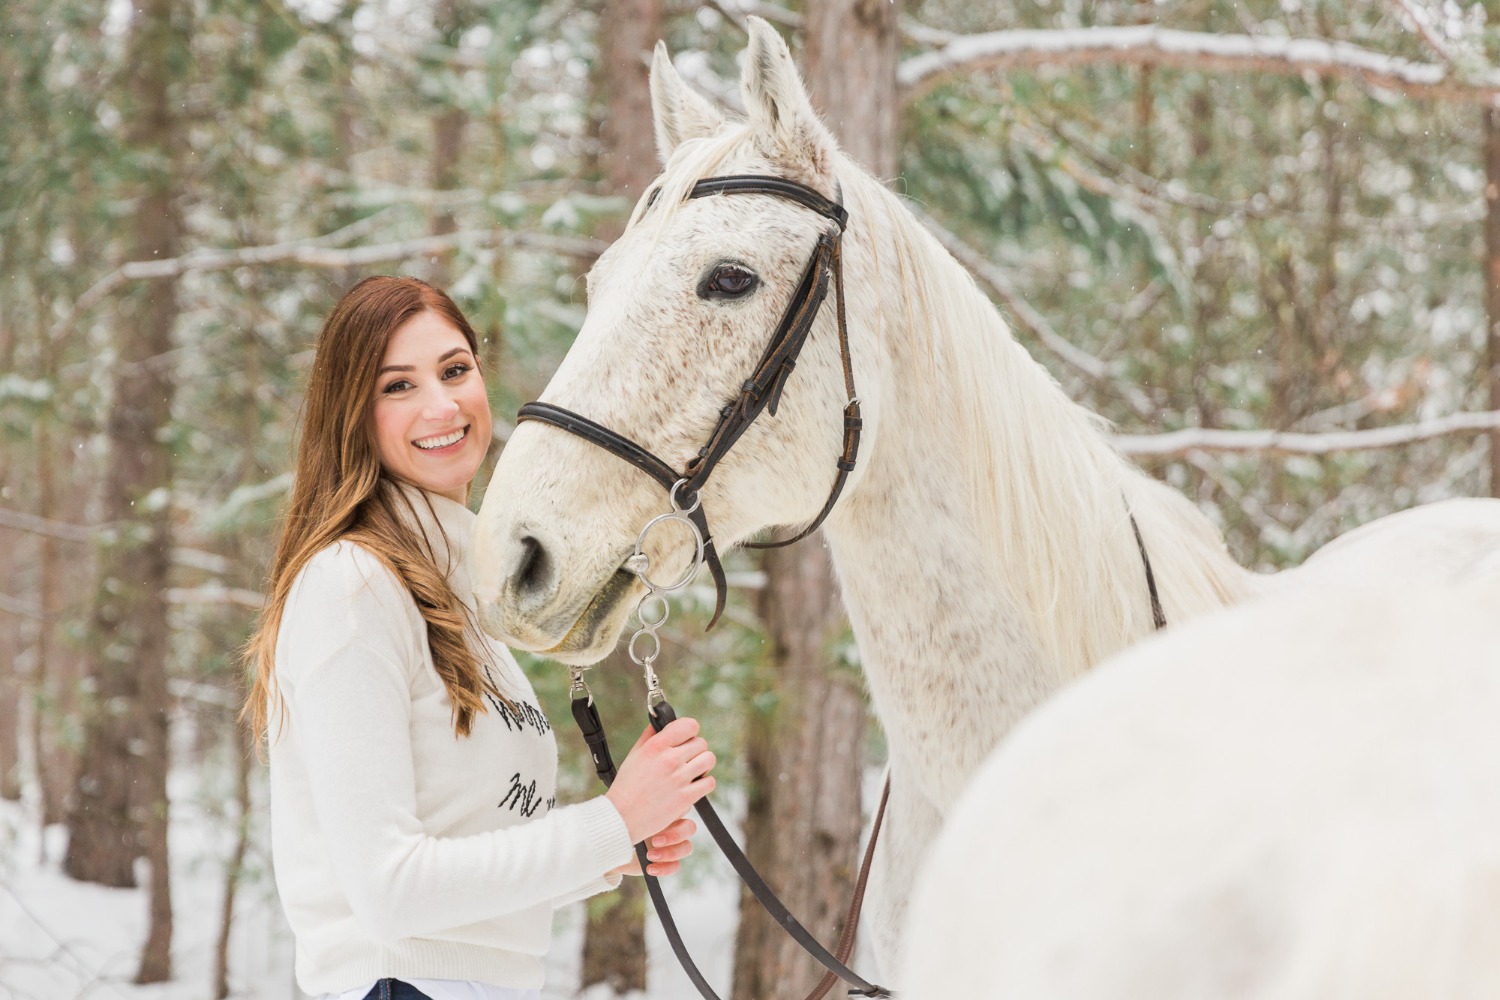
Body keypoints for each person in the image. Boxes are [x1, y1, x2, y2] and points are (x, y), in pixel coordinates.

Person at [243, 275, 717, 1000]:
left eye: (455, 369)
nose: (442, 405)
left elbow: (463, 852)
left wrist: (614, 850)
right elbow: (390, 891)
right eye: (397, 386)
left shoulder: (455, 592)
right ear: (352, 414)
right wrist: (610, 821)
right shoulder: (352, 585)